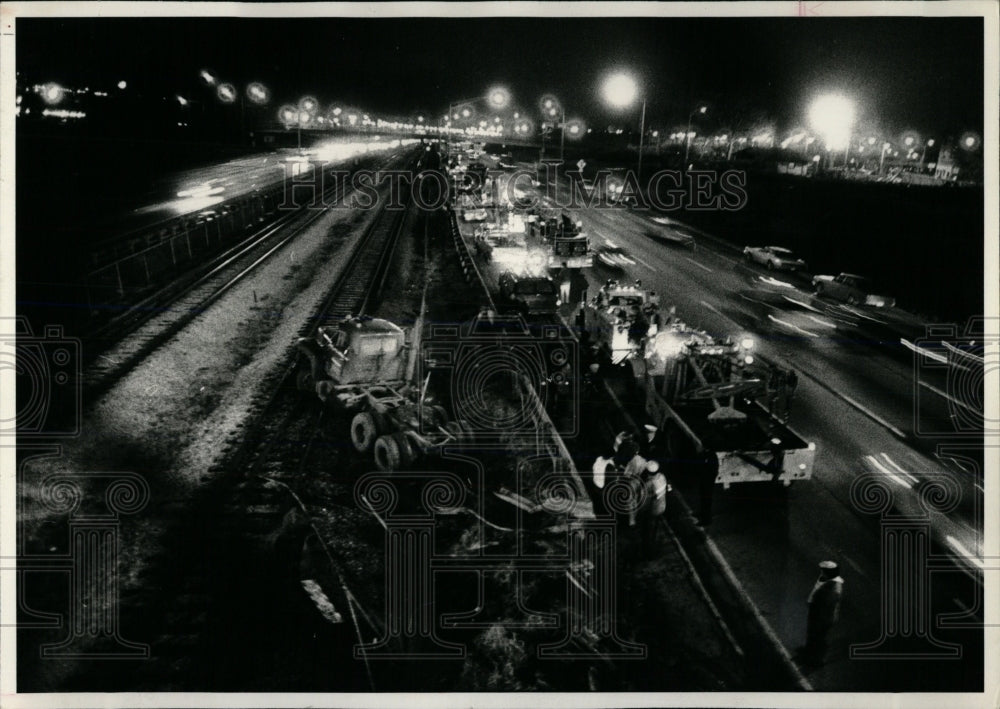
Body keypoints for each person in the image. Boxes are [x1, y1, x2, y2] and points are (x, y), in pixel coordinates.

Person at [801, 561, 845, 667]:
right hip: (818, 614)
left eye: (824, 571)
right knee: (813, 635)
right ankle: (810, 653)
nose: (821, 572)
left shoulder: (834, 589)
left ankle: (816, 659)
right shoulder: (827, 581)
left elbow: (826, 605)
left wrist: (816, 611)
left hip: (823, 617)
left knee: (818, 637)